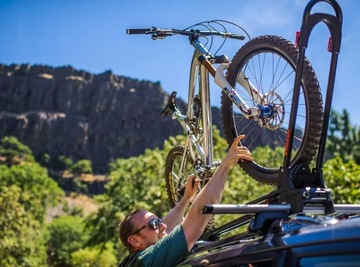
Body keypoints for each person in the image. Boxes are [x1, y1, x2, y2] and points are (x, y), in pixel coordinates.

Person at [118, 135, 253, 266]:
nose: (162, 226)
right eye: (153, 224)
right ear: (134, 240)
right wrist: (225, 165)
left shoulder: (131, 261)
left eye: (157, 221)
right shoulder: (147, 261)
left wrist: (186, 199)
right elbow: (199, 214)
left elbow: (166, 226)